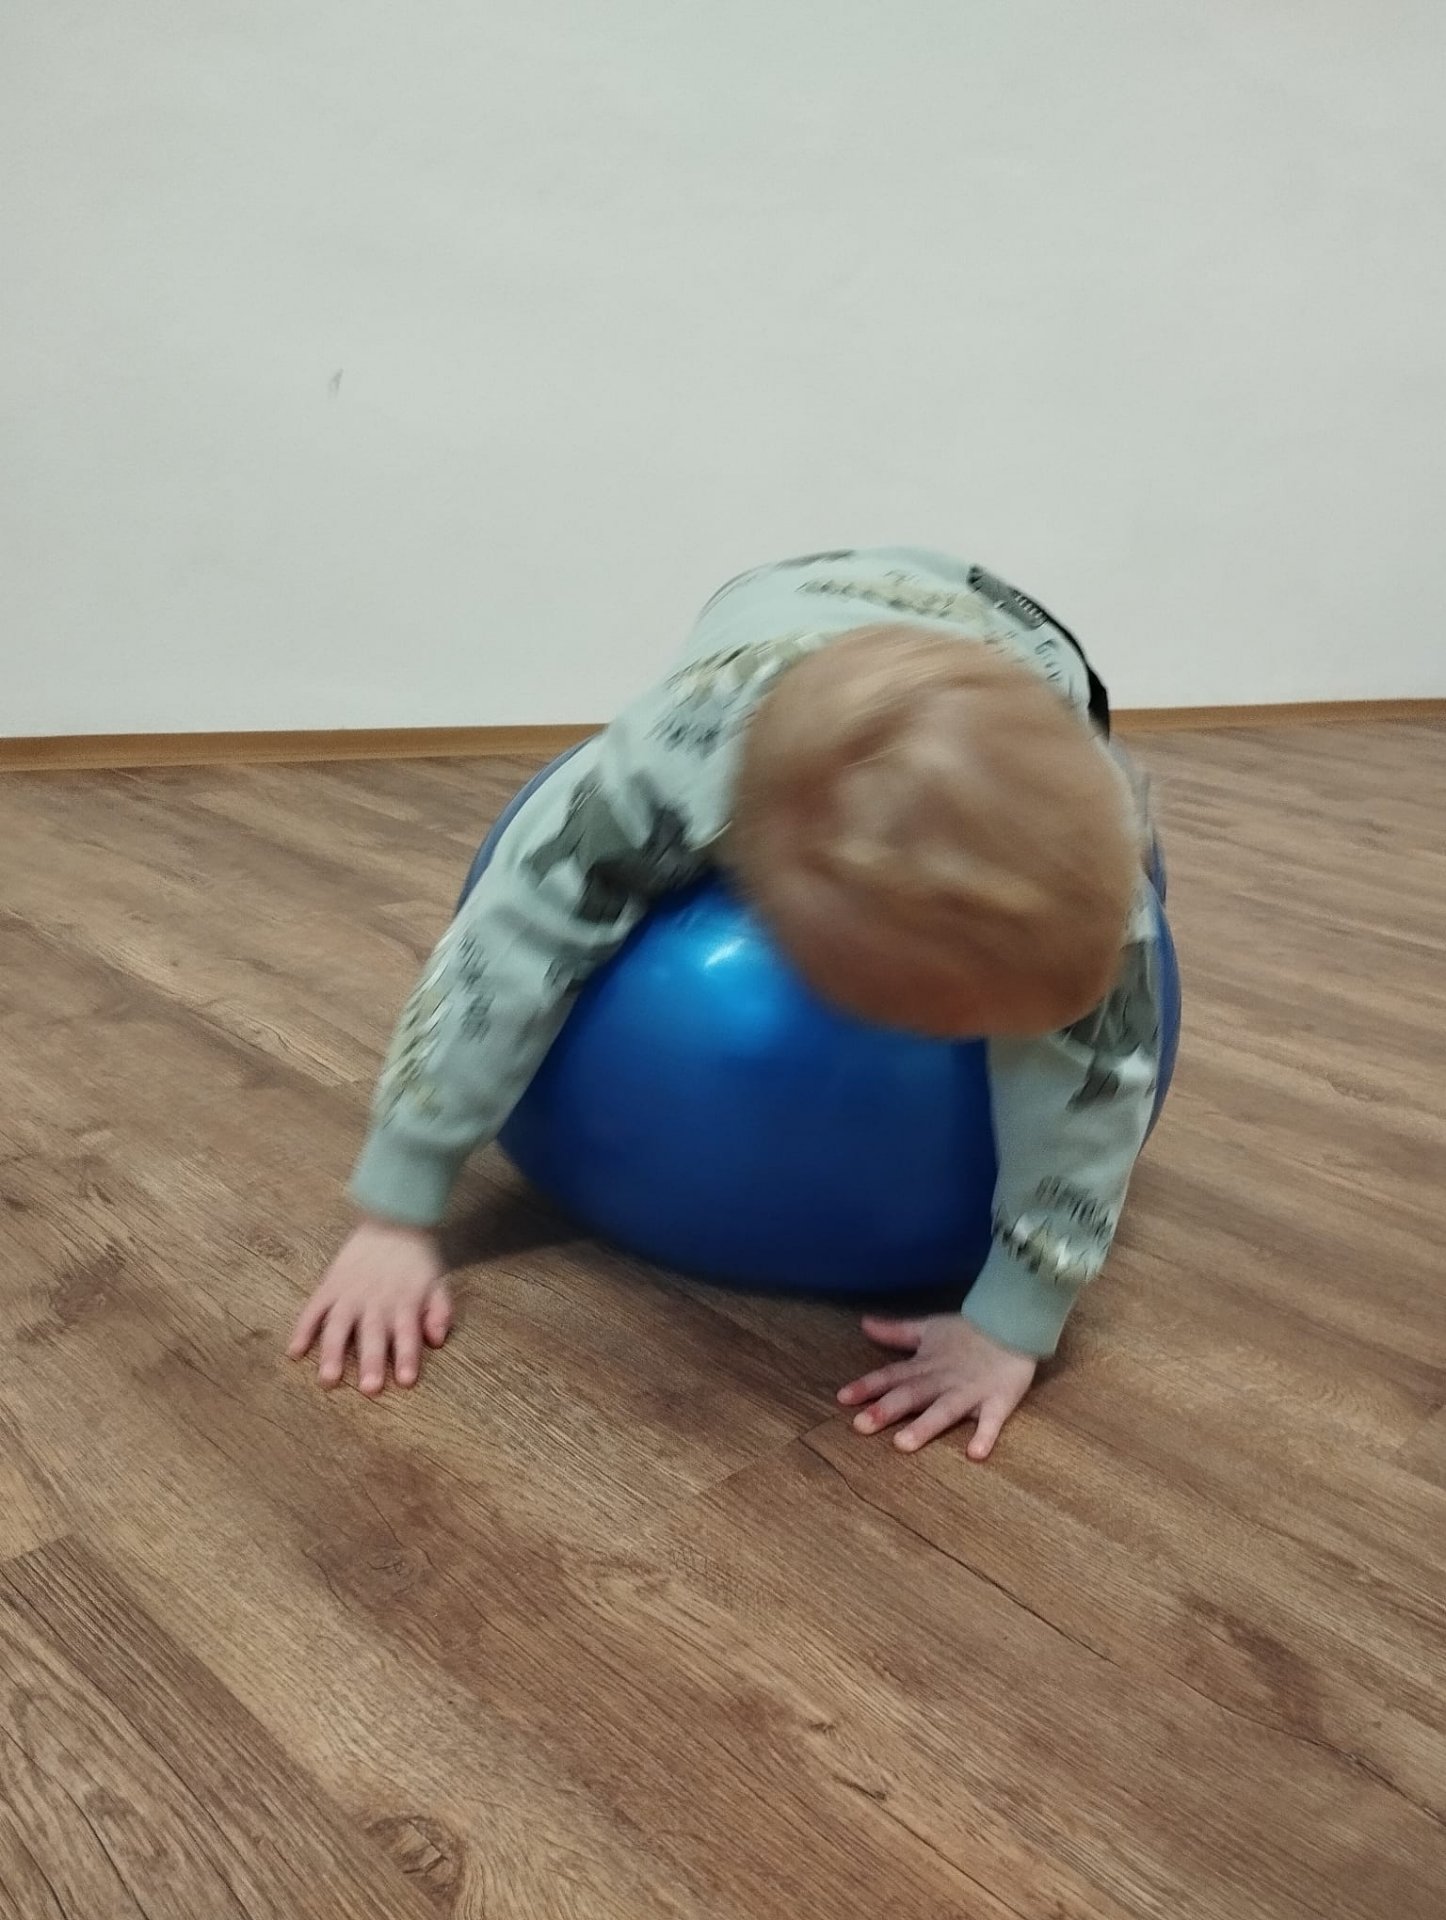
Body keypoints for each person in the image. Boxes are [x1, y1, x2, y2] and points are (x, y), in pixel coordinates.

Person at [290, 547, 1164, 1458]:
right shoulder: (659, 771)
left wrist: (1013, 1321)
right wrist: (398, 1208)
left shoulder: (1087, 815)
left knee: (1088, 975)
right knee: (551, 894)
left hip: (1020, 633)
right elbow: (499, 953)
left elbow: (1101, 1072)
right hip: (773, 604)